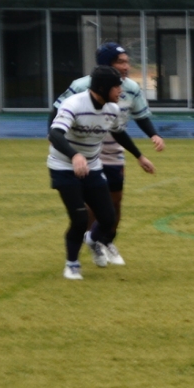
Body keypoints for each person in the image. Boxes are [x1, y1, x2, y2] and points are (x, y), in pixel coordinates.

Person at [57, 41, 163, 265]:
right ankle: (89, 242)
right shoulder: (80, 86)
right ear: (106, 64)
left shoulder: (131, 88)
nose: (126, 66)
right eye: (121, 62)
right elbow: (57, 111)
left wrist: (152, 136)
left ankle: (105, 239)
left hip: (114, 149)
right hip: (84, 151)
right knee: (91, 204)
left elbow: (140, 116)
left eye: (127, 62)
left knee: (115, 201)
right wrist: (59, 140)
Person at [47, 64, 132, 280]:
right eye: (116, 87)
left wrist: (140, 156)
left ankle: (93, 241)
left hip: (92, 167)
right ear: (103, 88)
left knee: (107, 217)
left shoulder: (112, 109)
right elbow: (55, 134)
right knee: (79, 219)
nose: (120, 91)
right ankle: (72, 265)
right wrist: (75, 156)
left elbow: (119, 133)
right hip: (63, 167)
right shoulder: (73, 104)